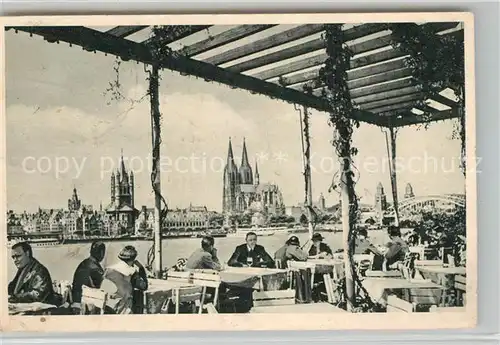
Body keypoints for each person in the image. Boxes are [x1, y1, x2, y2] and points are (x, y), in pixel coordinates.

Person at [100, 246, 148, 314]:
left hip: (108, 306)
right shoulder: (132, 273)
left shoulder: (108, 270)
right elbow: (144, 286)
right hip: (123, 309)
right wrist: (141, 269)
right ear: (133, 259)